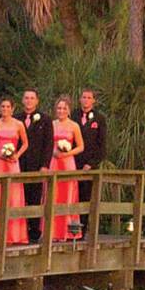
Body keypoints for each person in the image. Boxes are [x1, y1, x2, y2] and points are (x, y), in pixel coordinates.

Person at [0, 97, 29, 245]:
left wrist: (16, 155)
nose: (5, 109)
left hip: (12, 163)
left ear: (13, 109)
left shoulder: (19, 124)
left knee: (13, 197)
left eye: (8, 107)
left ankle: (14, 234)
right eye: (3, 107)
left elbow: (25, 143)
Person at [47, 96, 85, 241]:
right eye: (59, 108)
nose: (61, 111)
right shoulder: (51, 124)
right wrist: (53, 152)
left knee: (68, 195)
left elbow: (81, 146)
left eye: (64, 108)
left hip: (68, 162)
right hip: (54, 161)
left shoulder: (74, 126)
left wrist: (67, 153)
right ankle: (52, 231)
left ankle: (68, 231)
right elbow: (47, 145)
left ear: (69, 110)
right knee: (53, 195)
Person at [18, 89, 52, 242]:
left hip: (37, 164)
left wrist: (45, 164)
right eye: (26, 98)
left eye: (32, 98)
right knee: (18, 197)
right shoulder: (16, 118)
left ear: (37, 101)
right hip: (19, 164)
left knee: (34, 198)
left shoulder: (45, 120)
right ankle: (19, 230)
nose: (29, 101)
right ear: (22, 100)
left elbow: (48, 144)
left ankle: (34, 231)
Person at [71, 88, 107, 231]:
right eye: (83, 97)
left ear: (93, 100)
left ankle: (82, 229)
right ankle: (69, 229)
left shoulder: (99, 119)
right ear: (80, 99)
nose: (86, 100)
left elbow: (102, 145)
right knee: (71, 196)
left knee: (85, 197)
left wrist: (91, 164)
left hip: (89, 165)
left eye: (89, 97)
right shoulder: (73, 115)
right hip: (72, 163)